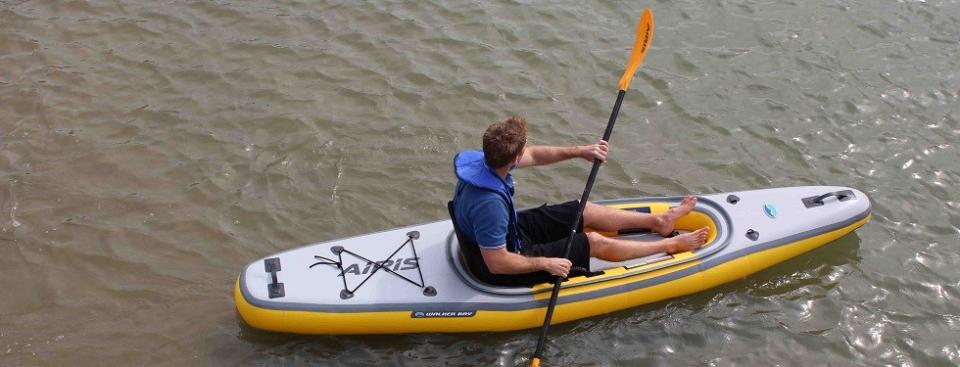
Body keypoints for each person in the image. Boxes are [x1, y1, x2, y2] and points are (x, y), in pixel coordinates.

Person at [451, 117, 708, 287]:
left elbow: (535, 154)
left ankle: (659, 221)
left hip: (511, 233)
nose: (527, 151)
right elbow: (498, 263)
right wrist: (546, 263)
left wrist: (581, 151)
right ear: (514, 159)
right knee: (592, 241)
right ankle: (672, 244)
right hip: (501, 263)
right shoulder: (490, 206)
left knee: (580, 209)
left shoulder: (484, 160)